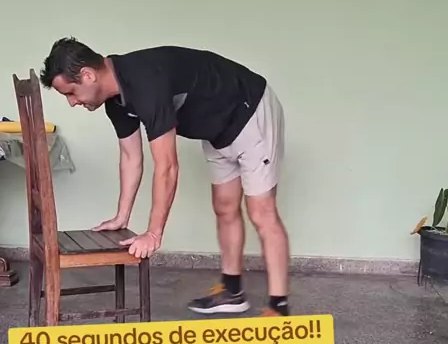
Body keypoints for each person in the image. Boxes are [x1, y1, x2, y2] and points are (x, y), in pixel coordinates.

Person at [40, 38, 290, 317]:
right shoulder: (116, 101)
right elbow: (131, 157)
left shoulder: (146, 82)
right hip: (218, 129)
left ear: (88, 75)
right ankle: (232, 292)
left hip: (250, 111)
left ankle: (278, 307)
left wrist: (153, 233)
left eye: (71, 93)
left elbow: (167, 166)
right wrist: (122, 215)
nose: (72, 102)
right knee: (225, 206)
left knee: (261, 211)